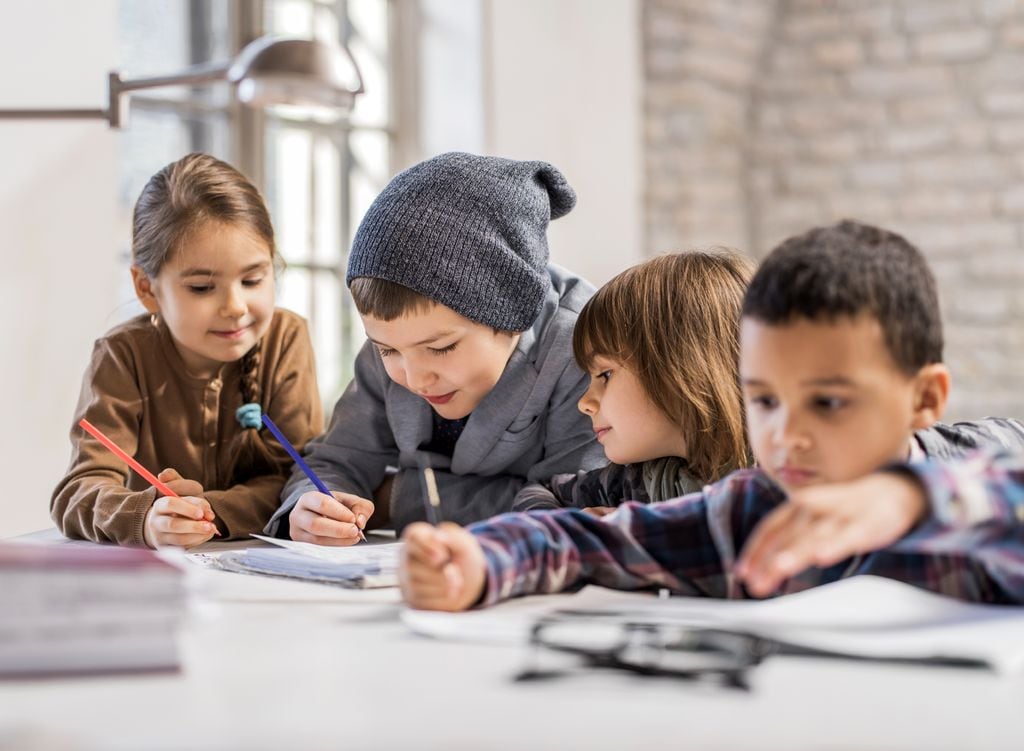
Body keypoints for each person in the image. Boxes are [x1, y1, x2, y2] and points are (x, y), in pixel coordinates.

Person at [399, 220, 1024, 610]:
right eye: (765, 401)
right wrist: (480, 564)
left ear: (924, 399)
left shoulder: (971, 475)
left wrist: (906, 499)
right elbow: (584, 540)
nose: (786, 436)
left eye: (829, 402)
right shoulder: (750, 510)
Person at [264, 152, 605, 545]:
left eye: (441, 348)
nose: (415, 378)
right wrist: (311, 506)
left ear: (516, 313)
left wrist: (399, 497)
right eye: (388, 351)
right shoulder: (399, 339)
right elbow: (335, 460)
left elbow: (570, 509)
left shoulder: (582, 345)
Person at [52, 153, 323, 548]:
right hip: (159, 580)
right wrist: (144, 517)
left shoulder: (286, 338)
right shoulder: (122, 355)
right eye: (201, 287)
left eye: (252, 280)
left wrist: (206, 509)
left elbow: (296, 481)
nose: (235, 306)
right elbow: (77, 491)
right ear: (147, 288)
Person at [513, 250, 753, 514]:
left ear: (682, 369)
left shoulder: (782, 486)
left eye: (605, 374)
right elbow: (540, 490)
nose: (584, 403)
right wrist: (574, 528)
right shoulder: (635, 483)